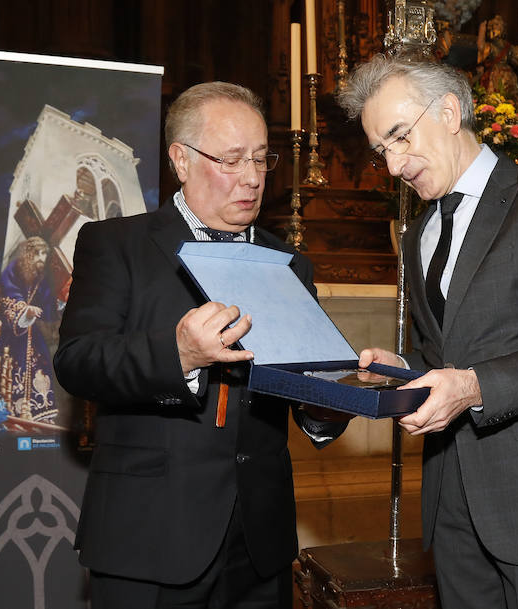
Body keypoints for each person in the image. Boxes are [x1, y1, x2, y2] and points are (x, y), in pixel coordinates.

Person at [337, 55, 518, 609]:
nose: (394, 166)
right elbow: (447, 352)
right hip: (451, 505)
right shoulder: (419, 232)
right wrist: (407, 372)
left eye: (399, 137)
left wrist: (472, 387)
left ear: (448, 111)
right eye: (382, 151)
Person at [54, 81, 348, 609]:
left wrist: (330, 399)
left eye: (261, 159)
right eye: (231, 160)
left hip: (260, 544)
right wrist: (180, 355)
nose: (253, 178)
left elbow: (299, 394)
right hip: (149, 538)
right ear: (181, 160)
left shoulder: (292, 265)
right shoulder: (116, 244)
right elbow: (78, 362)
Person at [0, 235, 60, 424]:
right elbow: (8, 295)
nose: (42, 258)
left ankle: (41, 415)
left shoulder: (41, 278)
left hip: (34, 337)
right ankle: (14, 411)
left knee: (40, 370)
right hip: (14, 335)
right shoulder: (13, 270)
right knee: (13, 369)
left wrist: (61, 302)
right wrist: (25, 310)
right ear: (28, 254)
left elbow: (48, 305)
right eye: (38, 253)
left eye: (44, 254)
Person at [475, 14, 518, 102]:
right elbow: (481, 47)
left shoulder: (507, 46)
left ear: (502, 28)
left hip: (507, 77)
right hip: (493, 76)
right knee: (493, 99)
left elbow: (517, 53)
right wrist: (481, 32)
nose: (494, 27)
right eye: (492, 25)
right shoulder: (490, 46)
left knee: (509, 98)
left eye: (496, 25)